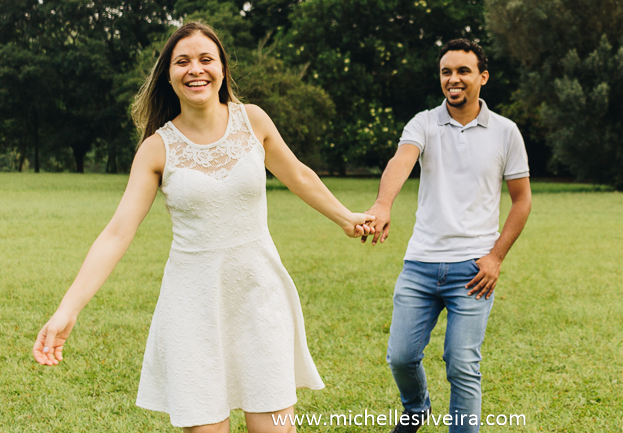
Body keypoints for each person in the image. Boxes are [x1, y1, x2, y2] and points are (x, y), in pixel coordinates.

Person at [32, 22, 374, 433]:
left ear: (223, 69)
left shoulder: (254, 121)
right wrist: (67, 309)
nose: (196, 69)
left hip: (259, 297)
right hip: (192, 308)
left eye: (205, 59)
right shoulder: (156, 149)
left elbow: (298, 175)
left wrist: (346, 218)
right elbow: (117, 232)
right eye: (183, 61)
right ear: (169, 75)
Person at [364, 39, 532, 433]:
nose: (453, 79)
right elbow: (401, 160)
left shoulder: (506, 132)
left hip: (473, 269)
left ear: (482, 77)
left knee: (462, 363)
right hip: (420, 263)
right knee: (401, 357)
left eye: (462, 71)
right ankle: (416, 408)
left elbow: (522, 201)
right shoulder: (423, 122)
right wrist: (383, 204)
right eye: (446, 72)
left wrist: (495, 258)